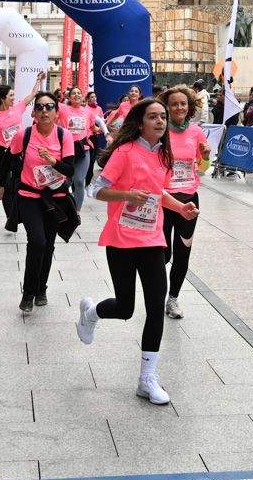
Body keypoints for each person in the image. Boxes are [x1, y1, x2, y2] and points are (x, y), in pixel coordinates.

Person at [76, 98, 199, 406]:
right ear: (140, 122)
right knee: (126, 307)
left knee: (156, 307)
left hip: (153, 239)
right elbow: (95, 190)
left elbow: (159, 193)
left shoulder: (165, 155)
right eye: (153, 116)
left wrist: (180, 207)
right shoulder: (125, 152)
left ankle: (147, 379)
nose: (160, 121)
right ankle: (91, 313)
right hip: (121, 239)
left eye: (163, 117)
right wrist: (127, 195)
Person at [3, 94, 77, 312]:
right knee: (37, 241)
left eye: (50, 107)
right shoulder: (24, 135)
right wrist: (2, 184)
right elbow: (9, 159)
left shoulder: (64, 135)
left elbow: (70, 170)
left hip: (55, 198)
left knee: (48, 245)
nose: (45, 111)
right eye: (40, 107)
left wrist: (53, 161)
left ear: (56, 112)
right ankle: (28, 293)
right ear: (34, 113)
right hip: (29, 195)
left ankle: (41, 289)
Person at [161, 86, 210, 320]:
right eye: (174, 104)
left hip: (189, 200)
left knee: (182, 253)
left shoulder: (196, 132)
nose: (179, 108)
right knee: (163, 254)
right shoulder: (160, 130)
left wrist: (206, 157)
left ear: (189, 107)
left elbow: (202, 168)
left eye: (183, 104)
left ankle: (172, 299)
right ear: (167, 107)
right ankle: (156, 293)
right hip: (164, 199)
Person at [59, 88, 105, 211]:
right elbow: (48, 102)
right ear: (69, 97)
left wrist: (104, 131)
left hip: (83, 149)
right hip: (67, 151)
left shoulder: (88, 112)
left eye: (79, 93)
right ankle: (61, 206)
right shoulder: (63, 109)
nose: (76, 95)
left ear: (82, 97)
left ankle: (76, 212)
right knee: (66, 182)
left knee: (79, 181)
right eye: (74, 93)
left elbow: (94, 126)